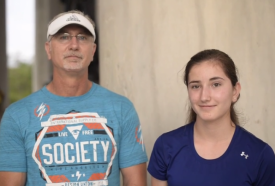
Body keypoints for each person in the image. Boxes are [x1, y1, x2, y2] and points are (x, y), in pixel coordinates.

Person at [0, 10, 147, 186]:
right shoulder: (17, 115)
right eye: (63, 37)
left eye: (83, 37)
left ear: (93, 51)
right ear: (48, 49)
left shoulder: (122, 108)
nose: (74, 45)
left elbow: (135, 181)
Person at [148, 49, 275, 186]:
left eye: (216, 84)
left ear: (235, 91)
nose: (204, 97)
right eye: (196, 86)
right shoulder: (166, 146)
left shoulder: (260, 155)